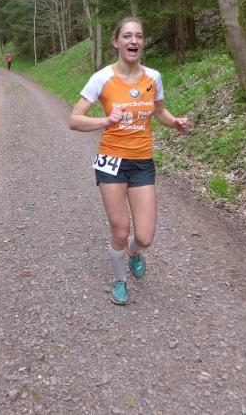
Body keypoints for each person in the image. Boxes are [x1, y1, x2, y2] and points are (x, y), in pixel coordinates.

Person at [69, 16, 191, 305]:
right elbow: (74, 120)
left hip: (142, 161)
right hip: (111, 160)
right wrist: (105, 121)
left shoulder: (153, 78)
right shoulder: (101, 78)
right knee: (121, 229)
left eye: (138, 36)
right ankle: (118, 278)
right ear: (116, 42)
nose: (134, 41)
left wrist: (175, 123)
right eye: (127, 36)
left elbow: (159, 112)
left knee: (144, 237)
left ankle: (134, 252)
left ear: (143, 42)